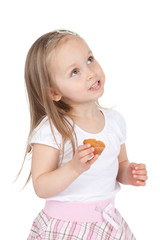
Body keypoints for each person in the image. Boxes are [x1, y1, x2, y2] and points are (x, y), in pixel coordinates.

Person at [22, 29, 148, 239]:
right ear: (54, 92)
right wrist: (74, 168)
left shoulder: (115, 122)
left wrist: (129, 173)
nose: (91, 72)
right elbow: (41, 186)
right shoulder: (52, 129)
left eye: (89, 59)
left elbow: (119, 164)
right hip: (66, 228)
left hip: (108, 223)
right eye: (75, 71)